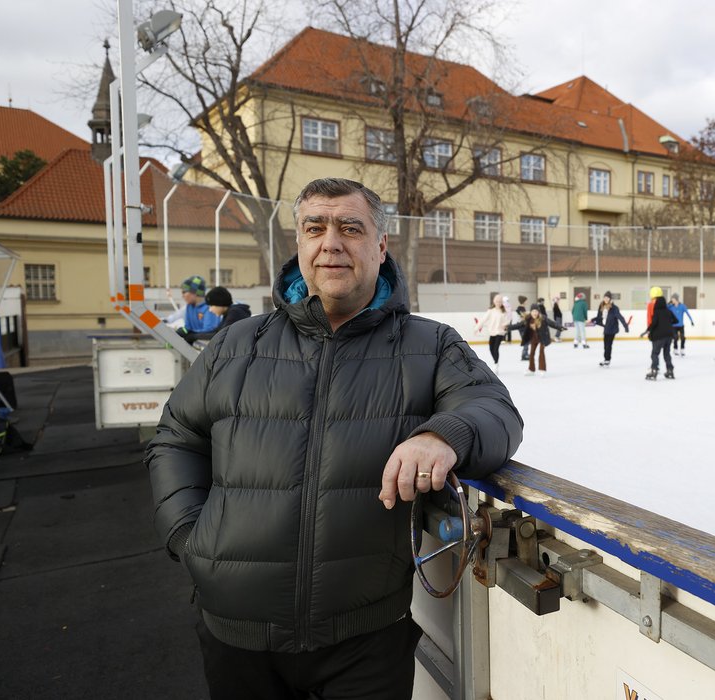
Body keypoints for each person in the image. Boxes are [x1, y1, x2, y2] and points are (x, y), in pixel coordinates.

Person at [145, 177, 524, 699]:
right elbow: (176, 438)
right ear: (299, 244)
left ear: (381, 245)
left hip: (365, 639)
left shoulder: (428, 344)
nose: (332, 242)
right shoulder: (237, 344)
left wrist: (443, 433)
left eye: (351, 227)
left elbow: (496, 410)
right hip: (235, 633)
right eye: (314, 228)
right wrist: (188, 537)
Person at [180, 286, 253, 345]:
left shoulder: (235, 313)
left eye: (211, 305)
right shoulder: (228, 313)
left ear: (220, 303)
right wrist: (192, 333)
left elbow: (220, 335)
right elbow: (216, 331)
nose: (210, 310)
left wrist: (194, 336)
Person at [507, 307, 563, 376]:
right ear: (531, 312)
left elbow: (552, 323)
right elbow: (519, 325)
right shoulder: (528, 319)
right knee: (531, 353)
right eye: (533, 311)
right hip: (533, 338)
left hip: (543, 337)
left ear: (538, 312)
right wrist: (508, 327)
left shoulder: (543, 318)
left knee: (541, 352)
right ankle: (531, 369)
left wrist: (560, 327)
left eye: (536, 311)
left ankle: (542, 369)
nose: (535, 313)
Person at [641, 293, 676, 380]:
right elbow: (676, 320)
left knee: (655, 354)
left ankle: (654, 370)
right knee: (667, 354)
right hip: (669, 336)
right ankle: (670, 371)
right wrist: (667, 324)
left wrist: (646, 331)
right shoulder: (669, 311)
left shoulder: (657, 312)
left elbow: (653, 324)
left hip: (659, 337)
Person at [593, 291, 629, 367]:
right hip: (606, 328)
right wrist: (593, 320)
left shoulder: (614, 308)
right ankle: (606, 359)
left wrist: (625, 326)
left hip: (612, 328)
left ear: (610, 299)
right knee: (605, 345)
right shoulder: (601, 306)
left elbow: (620, 317)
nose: (606, 299)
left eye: (607, 298)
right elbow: (599, 317)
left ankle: (607, 360)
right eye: (605, 297)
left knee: (608, 345)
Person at [475, 294, 510, 372]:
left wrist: (505, 325)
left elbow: (507, 321)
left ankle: (496, 363)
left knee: (495, 348)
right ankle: (496, 362)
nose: (498, 303)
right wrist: (476, 328)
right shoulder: (491, 311)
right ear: (494, 301)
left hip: (500, 332)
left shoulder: (504, 311)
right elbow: (483, 320)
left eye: (500, 301)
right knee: (491, 348)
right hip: (492, 332)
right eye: (497, 301)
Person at [516, 295, 529, 361]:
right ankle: (524, 355)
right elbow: (523, 316)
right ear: (523, 301)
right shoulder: (521, 308)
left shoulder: (521, 308)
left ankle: (525, 354)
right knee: (526, 341)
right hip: (521, 327)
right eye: (526, 300)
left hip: (523, 326)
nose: (527, 302)